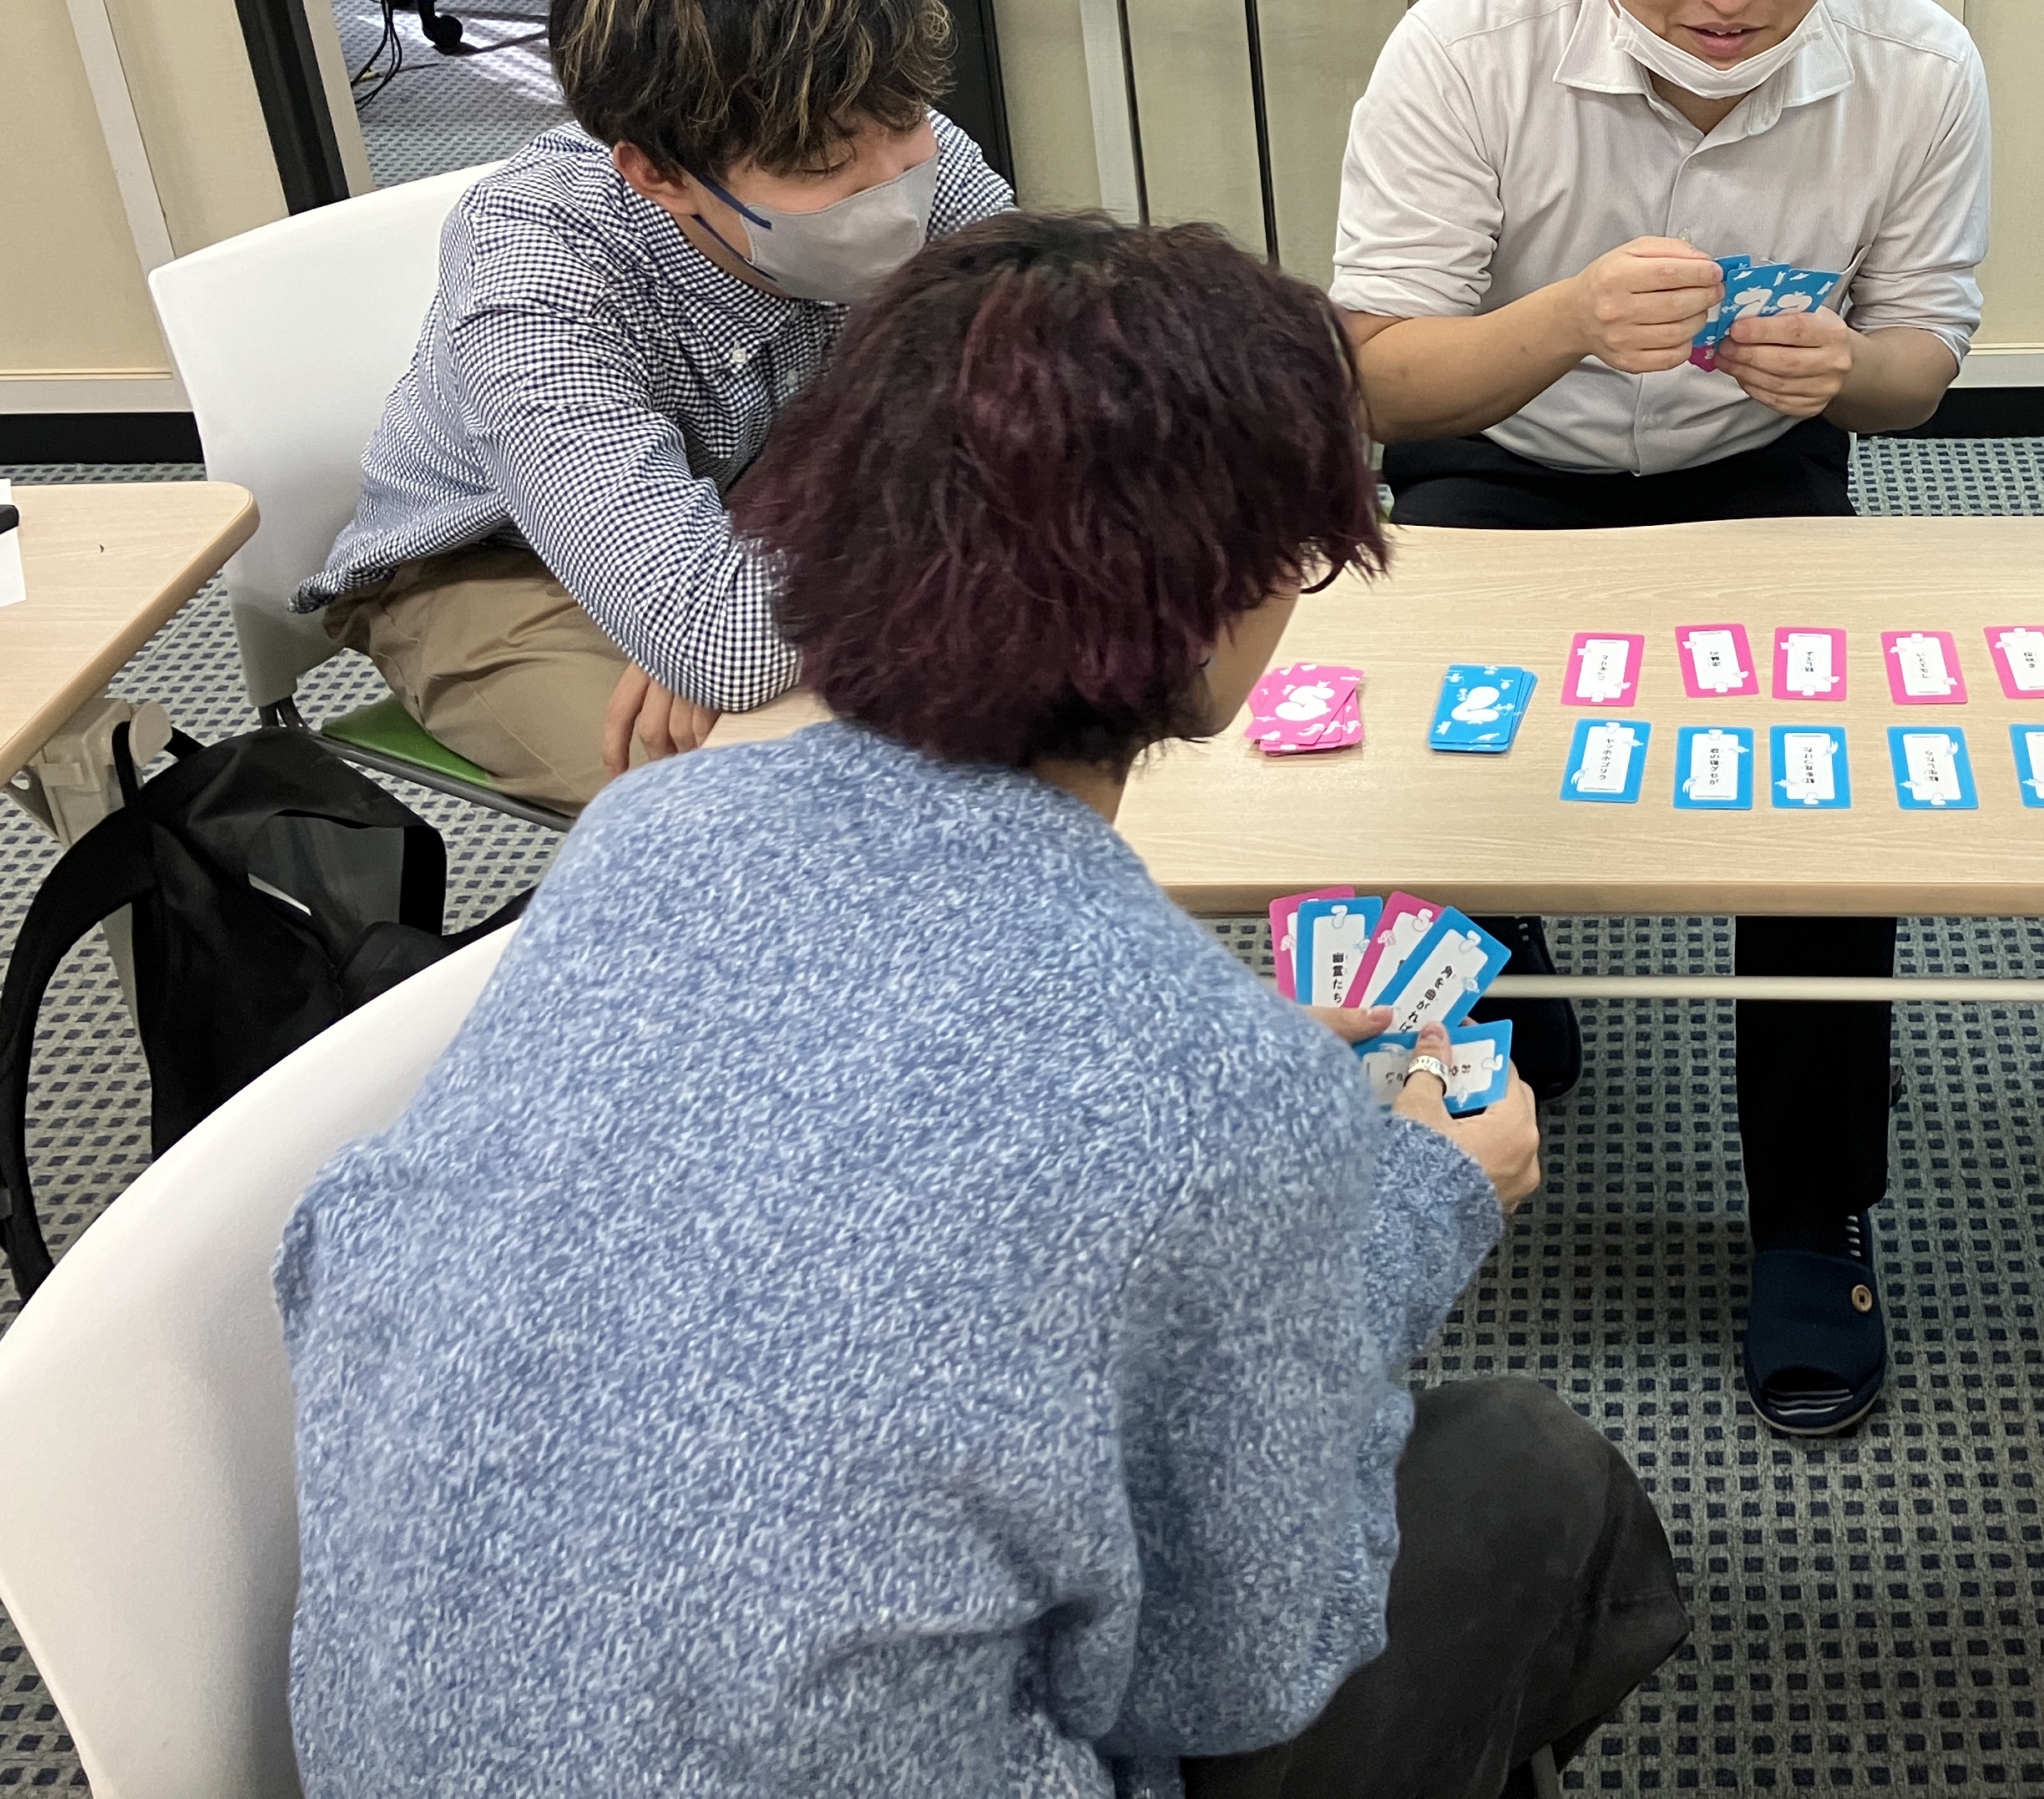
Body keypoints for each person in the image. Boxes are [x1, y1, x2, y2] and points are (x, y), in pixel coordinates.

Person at [279, 214, 1686, 1797]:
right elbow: (1235, 1670)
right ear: (1230, 601)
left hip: (386, 1751)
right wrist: (1424, 1195)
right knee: (1527, 1471)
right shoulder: (1213, 1081)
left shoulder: (644, 836)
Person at [1329, 0, 1993, 1436]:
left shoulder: (1919, 69)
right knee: (1423, 757)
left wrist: (1845, 370)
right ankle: (1504, 976)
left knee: (1823, 813)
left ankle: (1811, 1212)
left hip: (1755, 467)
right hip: (1496, 456)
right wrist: (1560, 321)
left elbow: (1924, 365)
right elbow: (1378, 376)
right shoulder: (1465, 47)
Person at [295, 0, 1014, 812]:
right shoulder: (539, 269)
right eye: (819, 163)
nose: (892, 184)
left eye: (905, 121)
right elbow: (724, 642)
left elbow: (1063, 396)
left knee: (1031, 699)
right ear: (659, 174)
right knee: (757, 812)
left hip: (770, 519)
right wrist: (705, 619)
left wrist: (726, 599)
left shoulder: (890, 134)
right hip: (494, 567)